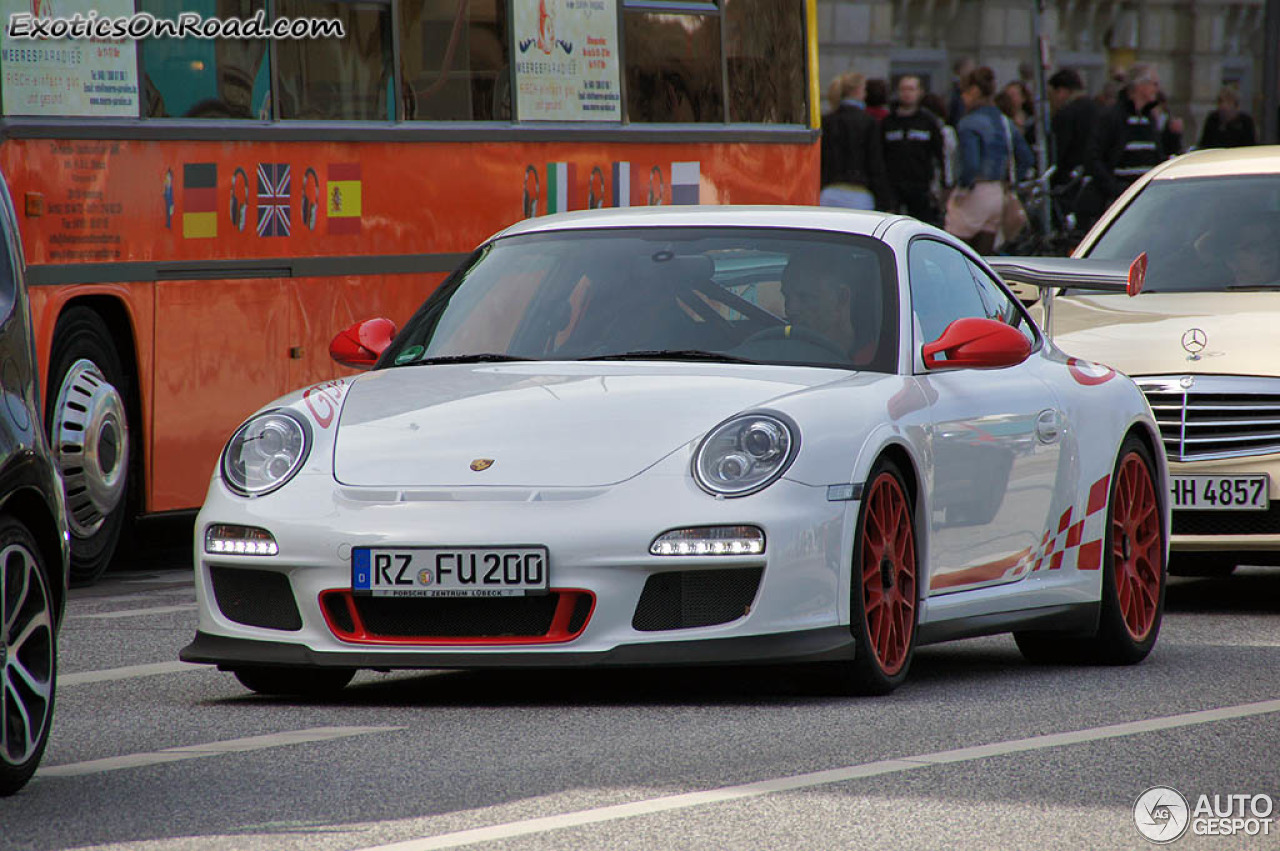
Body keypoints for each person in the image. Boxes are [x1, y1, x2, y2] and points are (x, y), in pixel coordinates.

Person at [945, 66, 1035, 254]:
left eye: (965, 93)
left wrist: (962, 186)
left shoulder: (969, 123)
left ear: (974, 92)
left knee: (954, 251)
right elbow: (1026, 157)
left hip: (975, 192)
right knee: (985, 256)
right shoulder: (1004, 121)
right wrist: (1011, 182)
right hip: (997, 192)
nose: (962, 98)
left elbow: (971, 164)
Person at [1086, 63, 1167, 212]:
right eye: (1154, 84)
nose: (1157, 89)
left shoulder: (1149, 119)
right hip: (1121, 199)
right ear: (1140, 86)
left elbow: (1157, 155)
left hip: (1147, 197)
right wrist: (1114, 188)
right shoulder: (1112, 117)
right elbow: (1093, 157)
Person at [820, 72, 893, 210]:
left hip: (829, 191)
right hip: (859, 193)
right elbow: (875, 163)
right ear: (858, 90)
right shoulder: (868, 122)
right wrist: (885, 201)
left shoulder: (827, 121)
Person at [882, 75, 944, 225]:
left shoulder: (929, 122)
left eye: (911, 89)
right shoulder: (888, 122)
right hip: (893, 186)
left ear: (920, 92)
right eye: (903, 89)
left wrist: (942, 185)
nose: (907, 93)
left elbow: (940, 154)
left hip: (921, 187)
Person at [1048, 68, 1101, 226]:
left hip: (1068, 184)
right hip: (1093, 183)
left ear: (1062, 91)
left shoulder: (1066, 114)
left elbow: (1058, 152)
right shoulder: (1099, 110)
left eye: (1052, 95)